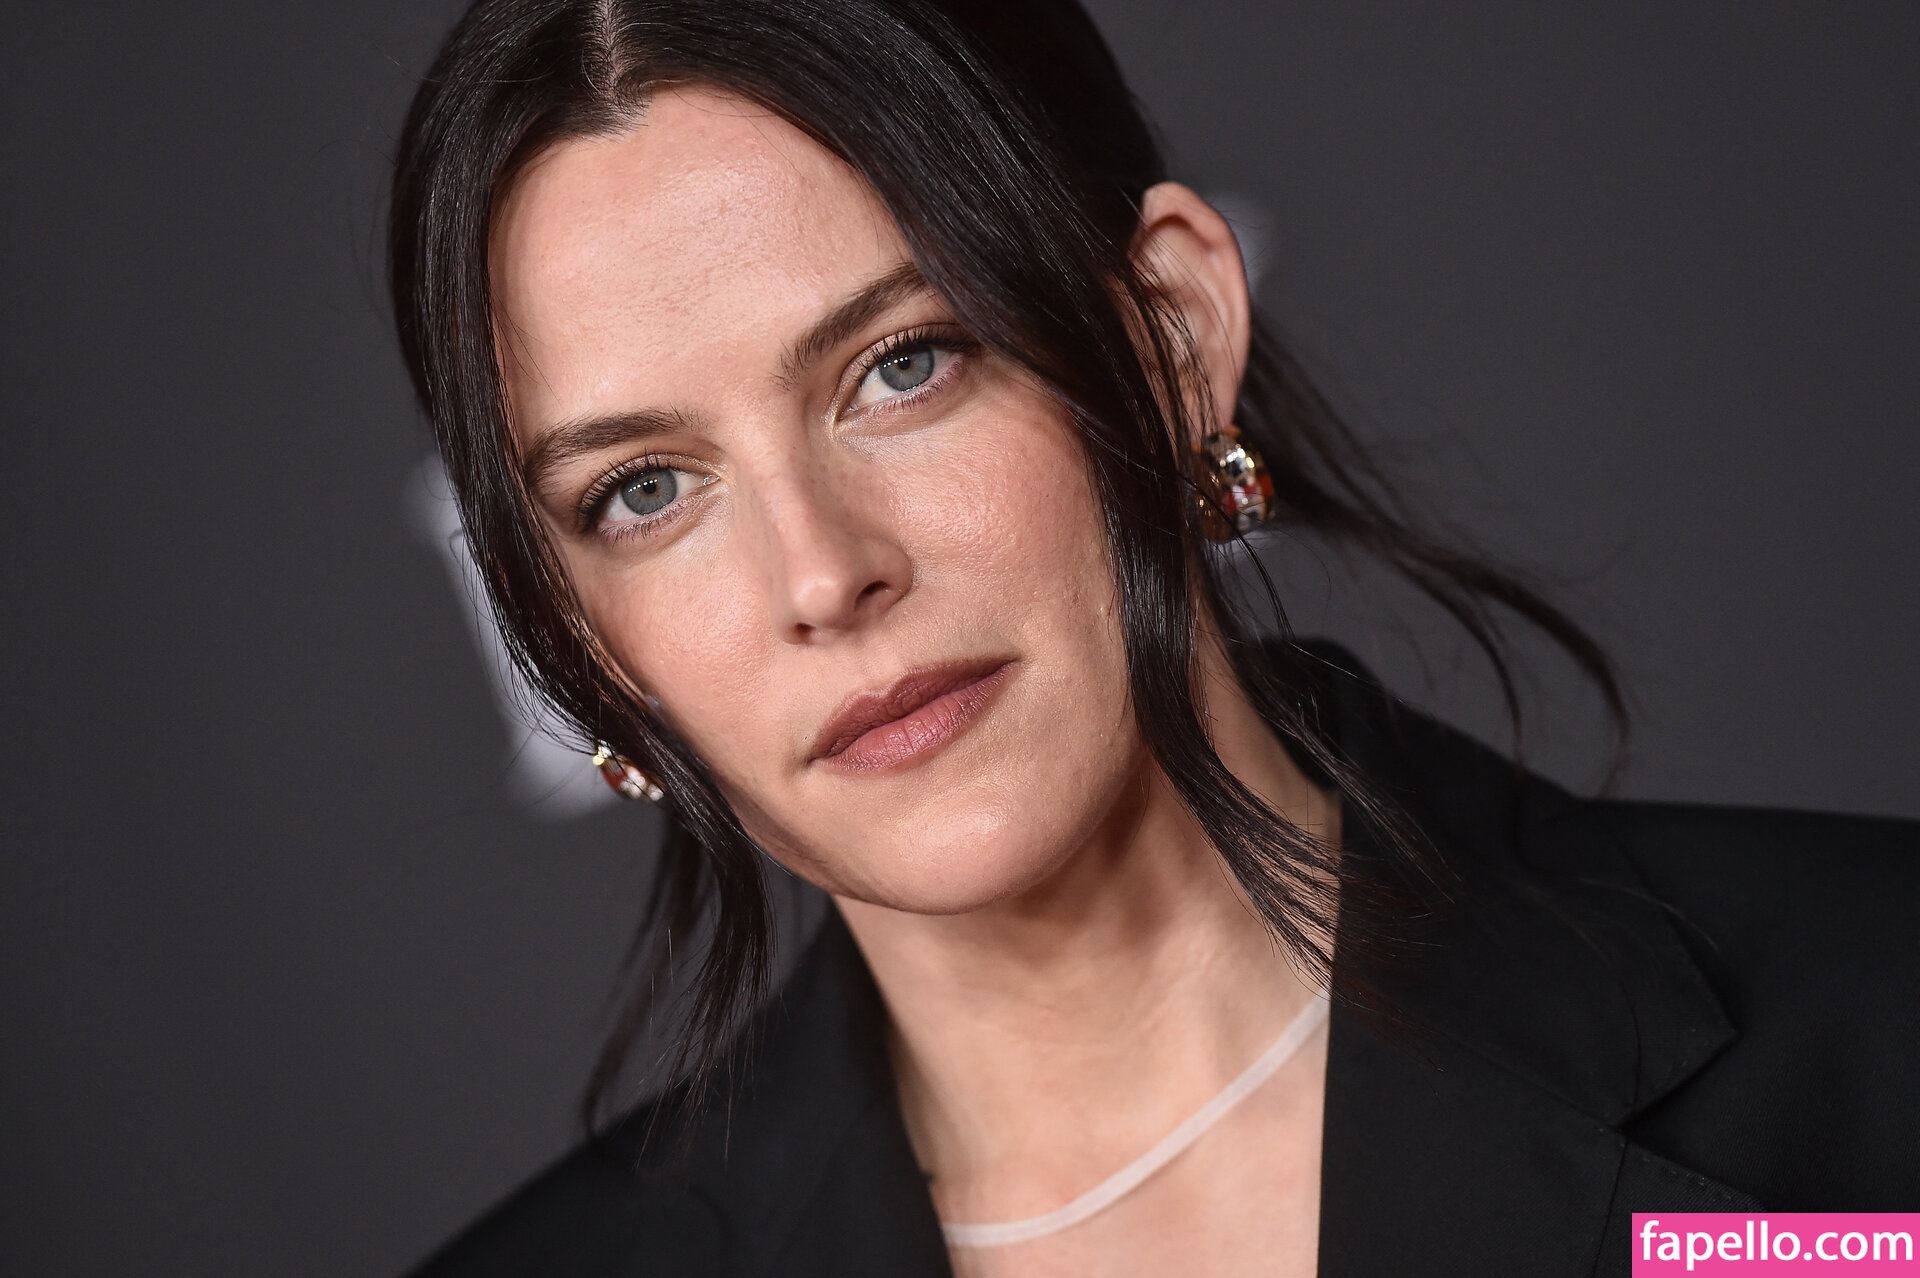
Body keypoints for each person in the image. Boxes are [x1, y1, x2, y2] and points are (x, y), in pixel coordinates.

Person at [387, 1, 1919, 1273]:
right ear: (571, 626)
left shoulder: (1870, 1022)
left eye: (902, 366)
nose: (823, 572)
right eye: (644, 490)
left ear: (1173, 340)